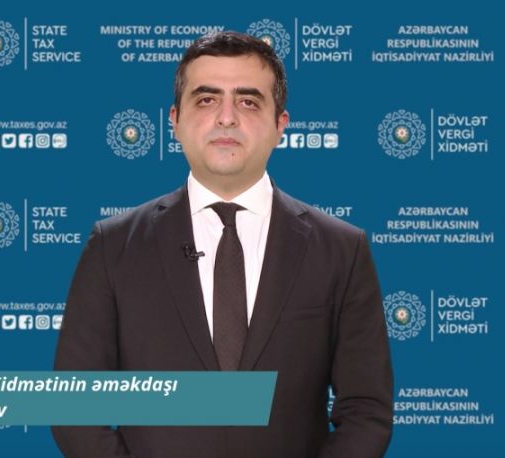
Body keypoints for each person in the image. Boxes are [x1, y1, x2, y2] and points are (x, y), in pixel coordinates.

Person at [52, 31, 393, 458]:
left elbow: (366, 410)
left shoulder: (342, 249)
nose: (226, 118)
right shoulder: (113, 246)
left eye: (248, 101)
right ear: (174, 121)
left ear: (280, 125)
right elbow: (75, 407)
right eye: (206, 99)